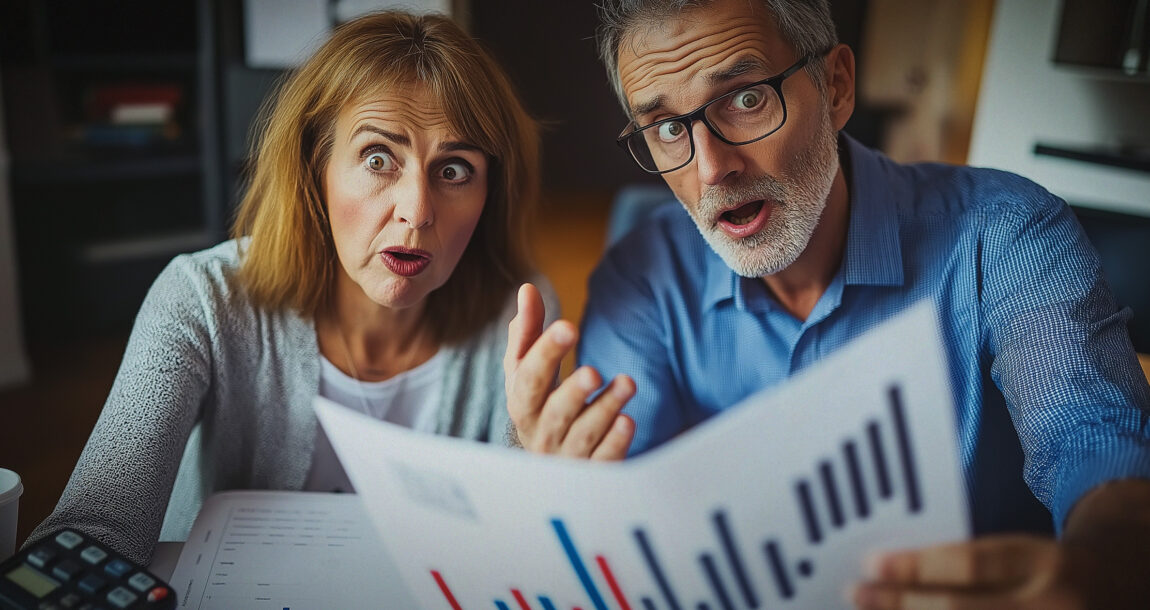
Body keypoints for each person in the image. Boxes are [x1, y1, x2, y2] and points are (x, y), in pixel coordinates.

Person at [504, 0, 1150, 607]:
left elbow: (1095, 442)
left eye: (746, 98)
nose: (710, 168)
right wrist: (560, 495)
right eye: (669, 128)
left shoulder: (1006, 232)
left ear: (836, 86)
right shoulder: (641, 276)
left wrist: (1103, 566)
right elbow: (623, 507)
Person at [28, 10, 553, 565]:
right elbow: (96, 529)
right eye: (378, 159)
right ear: (315, 168)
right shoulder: (202, 299)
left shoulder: (517, 313)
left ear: (490, 191)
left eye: (454, 171)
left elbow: (522, 547)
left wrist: (538, 461)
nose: (417, 212)